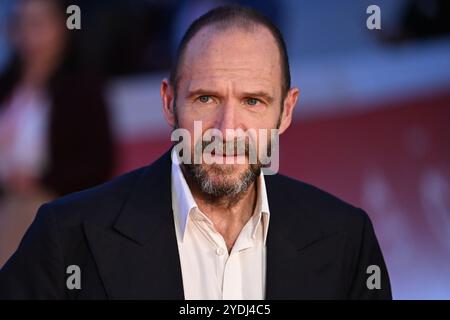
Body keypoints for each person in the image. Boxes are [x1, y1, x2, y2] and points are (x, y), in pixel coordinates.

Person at [0, 5, 391, 299]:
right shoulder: (67, 236)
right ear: (169, 103)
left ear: (286, 111)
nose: (226, 129)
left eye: (253, 102)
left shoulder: (345, 240)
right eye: (206, 98)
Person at [0, 0, 115, 268]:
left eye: (39, 24)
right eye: (23, 24)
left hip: (50, 203)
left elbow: (98, 163)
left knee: (26, 214)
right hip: (6, 200)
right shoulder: (6, 87)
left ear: (63, 28)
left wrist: (39, 181)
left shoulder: (82, 89)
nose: (30, 35)